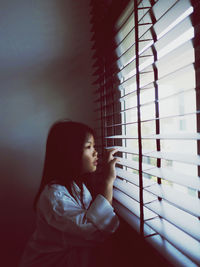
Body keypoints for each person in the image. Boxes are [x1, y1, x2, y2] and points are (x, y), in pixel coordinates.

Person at [19, 120, 120, 267]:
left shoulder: (77, 186)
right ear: (70, 153)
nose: (95, 152)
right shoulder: (54, 198)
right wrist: (108, 181)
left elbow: (97, 220)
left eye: (94, 146)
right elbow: (96, 231)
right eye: (89, 146)